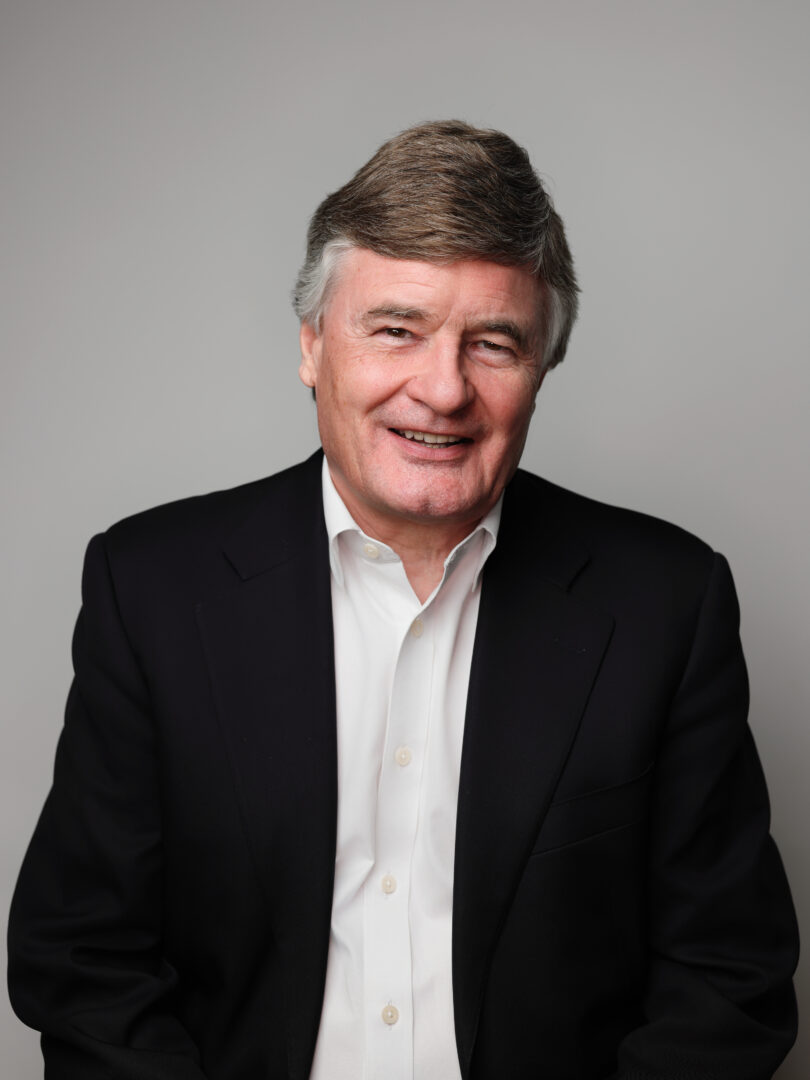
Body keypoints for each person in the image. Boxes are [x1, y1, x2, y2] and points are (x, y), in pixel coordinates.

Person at [8, 120, 798, 1080]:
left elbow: (727, 978)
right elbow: (83, 960)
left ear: (542, 371)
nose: (443, 389)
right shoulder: (152, 589)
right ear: (312, 346)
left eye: (493, 343)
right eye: (396, 330)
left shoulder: (666, 604)